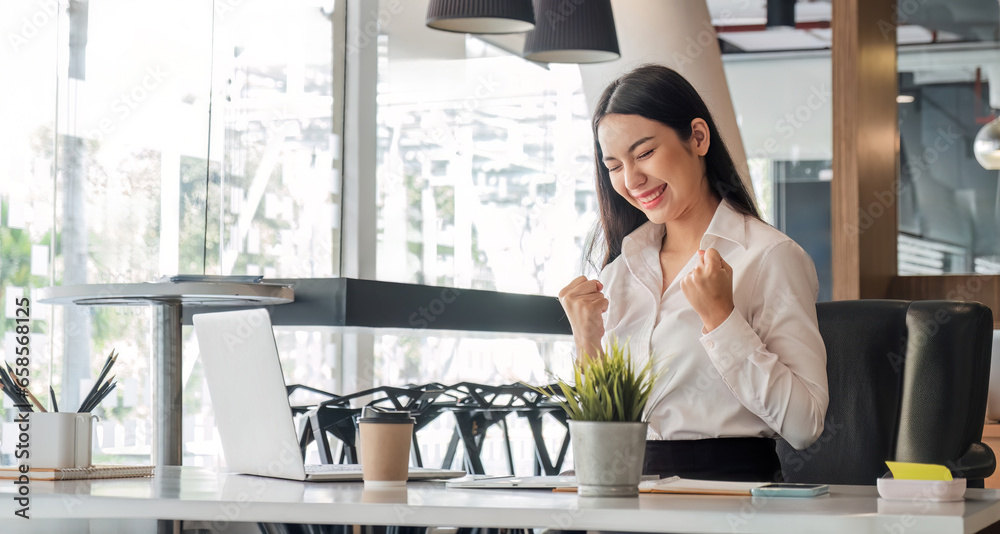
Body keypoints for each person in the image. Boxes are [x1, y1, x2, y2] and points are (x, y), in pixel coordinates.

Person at [558, 65, 828, 483]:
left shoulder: (768, 256)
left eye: (645, 153)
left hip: (727, 497)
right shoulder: (619, 272)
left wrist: (722, 319)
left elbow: (804, 424)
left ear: (698, 138)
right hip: (624, 492)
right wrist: (586, 339)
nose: (631, 180)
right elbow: (604, 428)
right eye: (614, 165)